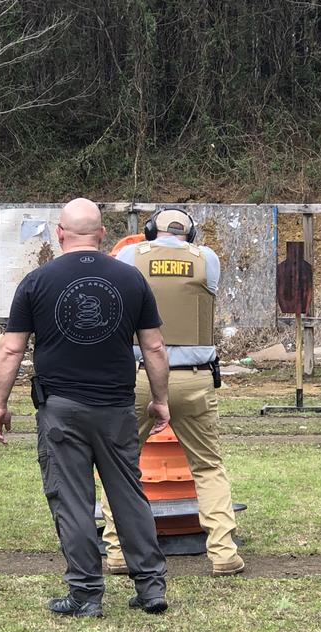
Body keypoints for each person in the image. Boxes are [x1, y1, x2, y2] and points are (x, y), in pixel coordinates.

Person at [0, 198, 172, 617]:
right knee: (128, 495)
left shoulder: (36, 282)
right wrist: (160, 400)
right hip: (117, 408)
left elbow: (11, 350)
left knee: (72, 500)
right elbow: (155, 347)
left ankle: (86, 594)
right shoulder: (131, 280)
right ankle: (150, 589)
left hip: (61, 409)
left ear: (59, 234)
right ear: (102, 234)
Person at [100, 208, 245, 577]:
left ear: (150, 230)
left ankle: (117, 551)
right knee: (208, 466)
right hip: (193, 378)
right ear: (191, 233)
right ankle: (223, 552)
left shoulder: (132, 256)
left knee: (120, 466)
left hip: (136, 375)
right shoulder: (206, 259)